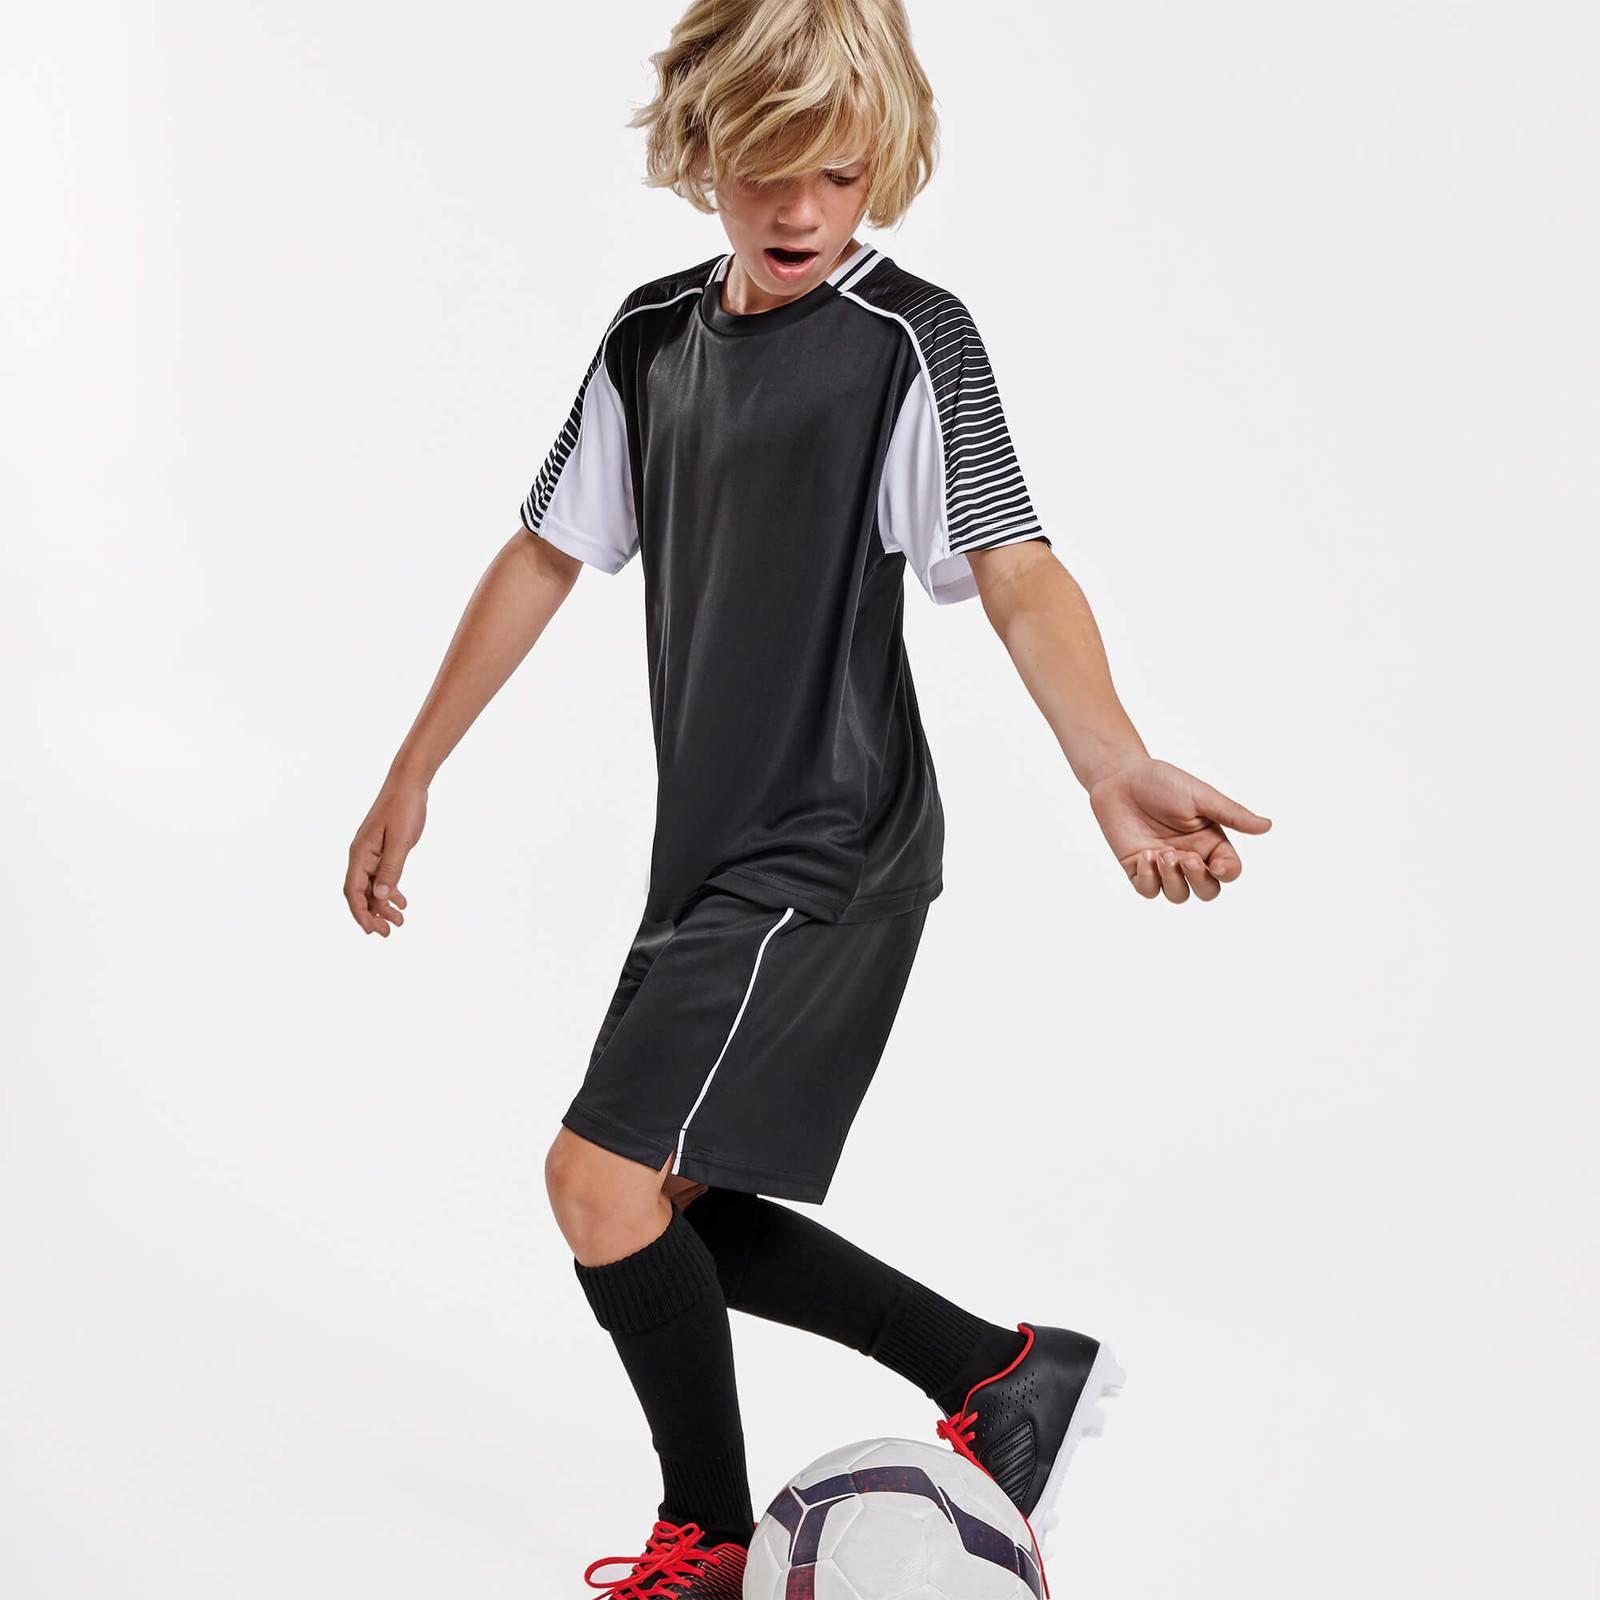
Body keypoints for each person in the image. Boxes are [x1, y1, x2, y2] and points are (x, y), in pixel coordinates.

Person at [344, 1, 1272, 1593]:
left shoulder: (908, 340)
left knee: (594, 1182)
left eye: (837, 175)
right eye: (766, 169)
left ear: (882, 167)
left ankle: (707, 1533)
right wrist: (412, 765)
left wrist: (1110, 758)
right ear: (703, 152)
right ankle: (1002, 1370)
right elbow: (547, 550)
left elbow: (1014, 564)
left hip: (830, 843)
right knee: (663, 1200)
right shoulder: (651, 339)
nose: (798, 210)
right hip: (711, 856)